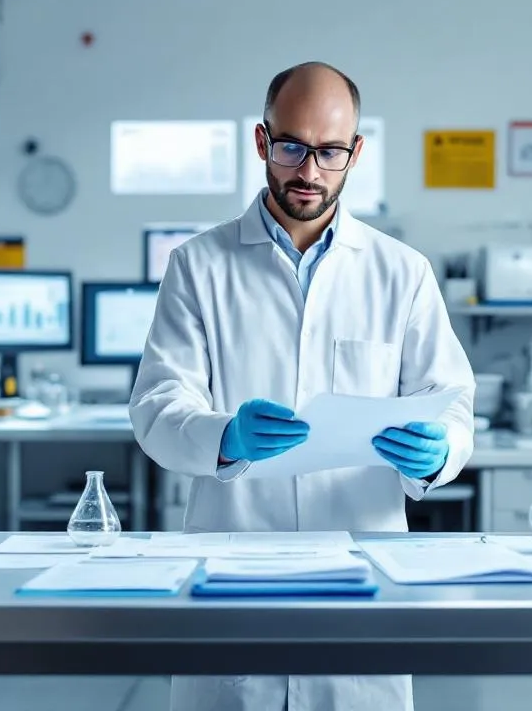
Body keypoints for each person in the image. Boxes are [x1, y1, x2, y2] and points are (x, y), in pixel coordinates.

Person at [129, 61, 477, 711]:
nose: (309, 172)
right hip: (233, 572)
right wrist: (224, 437)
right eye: (291, 147)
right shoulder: (198, 266)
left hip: (359, 577)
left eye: (330, 152)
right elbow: (156, 408)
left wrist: (441, 451)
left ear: (356, 152)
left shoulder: (401, 272)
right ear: (261, 142)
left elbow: (452, 400)